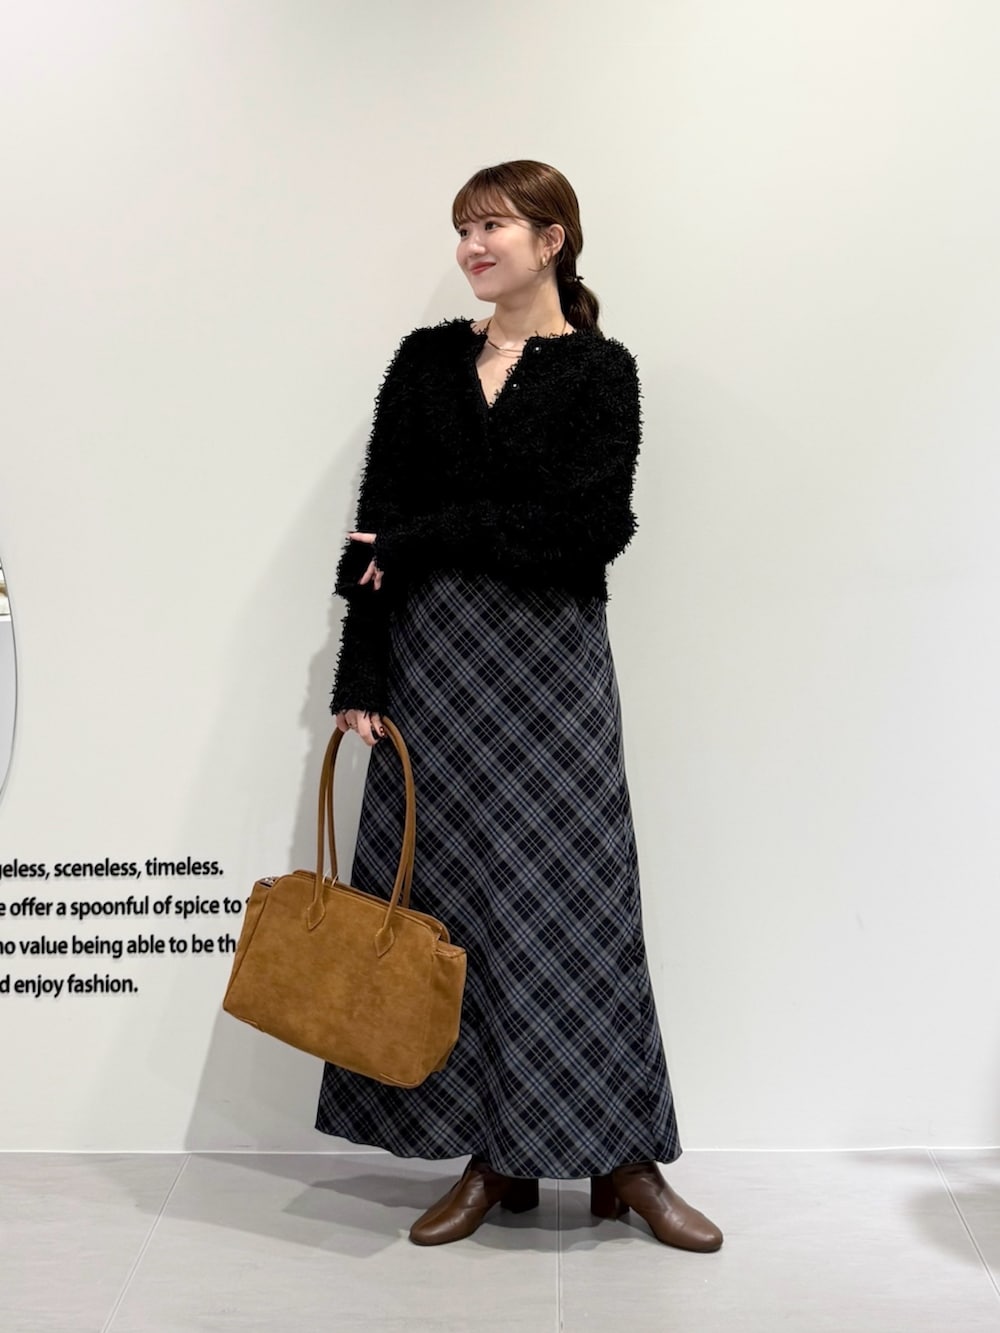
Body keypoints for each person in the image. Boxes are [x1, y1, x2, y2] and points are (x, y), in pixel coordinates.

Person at [315, 159, 723, 1252]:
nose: (471, 246)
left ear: (552, 240)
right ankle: (493, 1155)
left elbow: (589, 532)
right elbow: (375, 532)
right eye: (462, 228)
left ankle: (622, 1161)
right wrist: (361, 677)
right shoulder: (425, 362)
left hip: (548, 668)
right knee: (454, 906)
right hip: (434, 667)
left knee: (578, 907)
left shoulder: (599, 371)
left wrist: (433, 534)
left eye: (492, 225)